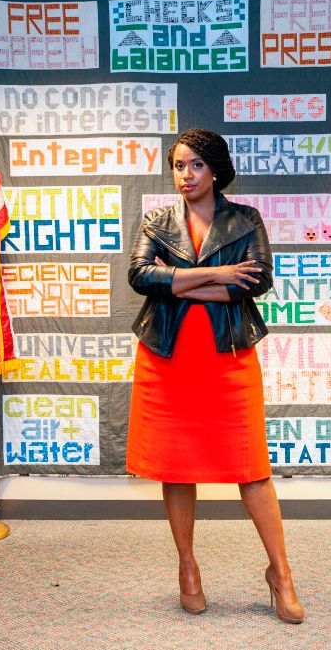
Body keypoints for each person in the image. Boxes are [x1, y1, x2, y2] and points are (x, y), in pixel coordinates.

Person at [126, 128, 304, 623]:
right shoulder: (159, 221)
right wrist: (218, 275)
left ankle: (281, 574)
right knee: (177, 465)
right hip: (168, 357)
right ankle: (188, 567)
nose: (186, 175)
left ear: (215, 168)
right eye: (179, 166)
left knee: (252, 470)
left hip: (227, 356)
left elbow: (257, 281)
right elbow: (141, 277)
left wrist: (181, 283)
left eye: (196, 165)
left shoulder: (245, 219)